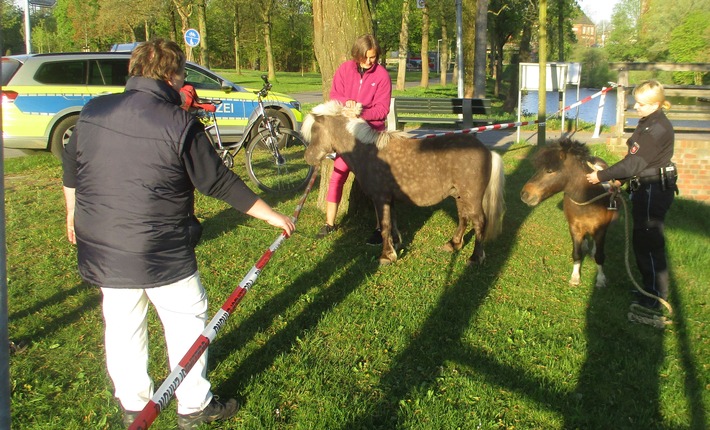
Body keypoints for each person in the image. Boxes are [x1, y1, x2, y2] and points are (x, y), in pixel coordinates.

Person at [62, 38, 295, 429]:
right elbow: (217, 182)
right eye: (182, 74)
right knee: (186, 320)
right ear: (173, 76)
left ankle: (134, 404)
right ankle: (193, 405)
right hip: (160, 251)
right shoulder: (180, 123)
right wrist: (271, 215)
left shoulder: (92, 111)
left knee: (122, 324)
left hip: (102, 246)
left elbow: (70, 167)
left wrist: (72, 215)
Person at [586, 80, 678, 311]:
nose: (636, 107)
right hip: (645, 186)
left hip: (653, 190)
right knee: (643, 242)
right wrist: (620, 180)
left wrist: (603, 176)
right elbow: (636, 162)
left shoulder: (657, 129)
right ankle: (649, 288)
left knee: (649, 242)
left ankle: (655, 296)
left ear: (656, 104)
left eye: (641, 104)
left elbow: (634, 163)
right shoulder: (648, 122)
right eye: (635, 102)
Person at [316, 34, 392, 245]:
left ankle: (380, 228)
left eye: (374, 58)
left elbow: (382, 109)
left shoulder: (382, 76)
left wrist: (360, 111)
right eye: (366, 57)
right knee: (337, 175)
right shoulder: (344, 70)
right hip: (346, 137)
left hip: (370, 136)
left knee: (374, 182)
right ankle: (329, 223)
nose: (370, 62)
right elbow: (335, 95)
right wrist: (345, 103)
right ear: (357, 55)